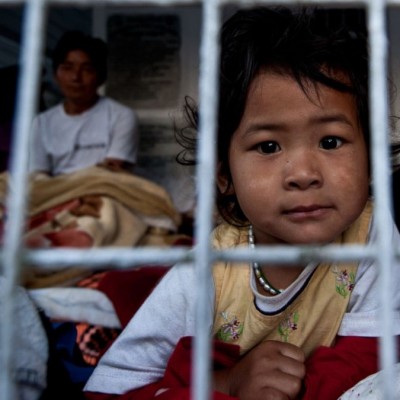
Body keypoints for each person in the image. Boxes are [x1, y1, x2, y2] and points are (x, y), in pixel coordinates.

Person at [84, 7, 400, 400]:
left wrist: (300, 389)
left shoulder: (372, 233)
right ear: (223, 175)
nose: (303, 173)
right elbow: (110, 389)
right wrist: (226, 386)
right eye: (268, 146)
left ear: (370, 159)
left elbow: (374, 351)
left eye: (331, 141)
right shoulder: (205, 274)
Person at [29, 31, 139, 178]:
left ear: (101, 78)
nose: (76, 77)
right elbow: (39, 175)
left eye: (87, 69)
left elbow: (113, 171)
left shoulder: (121, 116)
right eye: (67, 68)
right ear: (56, 75)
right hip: (57, 196)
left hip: (104, 192)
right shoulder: (41, 122)